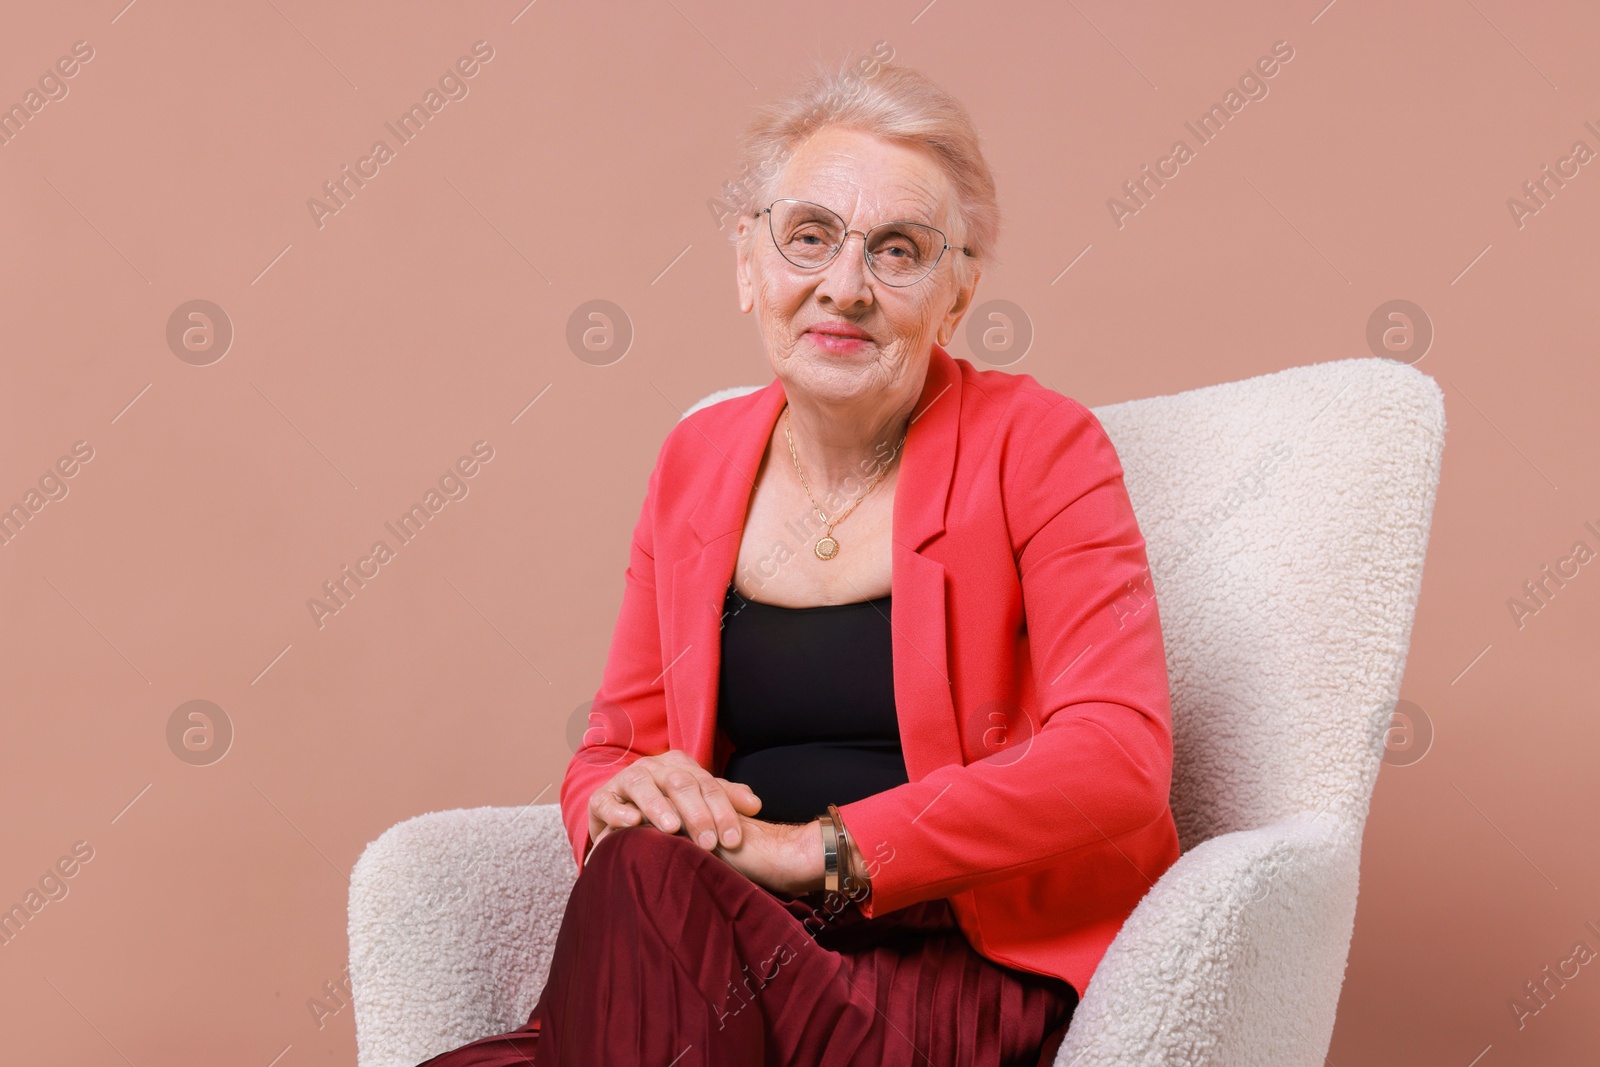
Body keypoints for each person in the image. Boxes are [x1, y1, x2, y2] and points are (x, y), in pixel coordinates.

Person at [418, 56, 1180, 1067]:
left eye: (899, 250)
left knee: (642, 886)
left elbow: (1117, 755)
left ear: (956, 297)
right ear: (747, 262)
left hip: (937, 966)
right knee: (636, 873)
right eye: (809, 235)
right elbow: (615, 746)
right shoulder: (696, 459)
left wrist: (816, 852)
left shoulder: (1040, 445)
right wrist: (613, 800)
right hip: (712, 955)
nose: (845, 286)